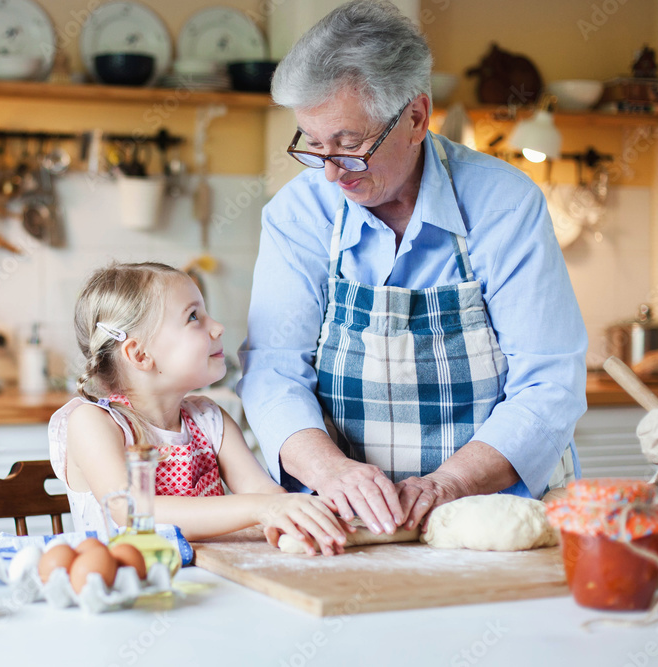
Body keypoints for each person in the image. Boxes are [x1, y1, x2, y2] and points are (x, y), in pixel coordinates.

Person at [238, 1, 587, 539]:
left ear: (417, 117)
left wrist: (448, 484)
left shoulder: (504, 205)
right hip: (339, 519)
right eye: (313, 145)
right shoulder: (299, 212)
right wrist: (330, 471)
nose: (330, 172)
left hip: (488, 515)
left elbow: (549, 383)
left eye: (350, 146)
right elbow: (274, 368)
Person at [49, 262, 351, 555]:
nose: (217, 328)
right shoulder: (94, 423)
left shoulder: (210, 420)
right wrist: (263, 509)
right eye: (194, 317)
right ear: (140, 355)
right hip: (127, 592)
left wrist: (292, 515)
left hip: (209, 584)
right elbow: (130, 509)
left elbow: (263, 493)